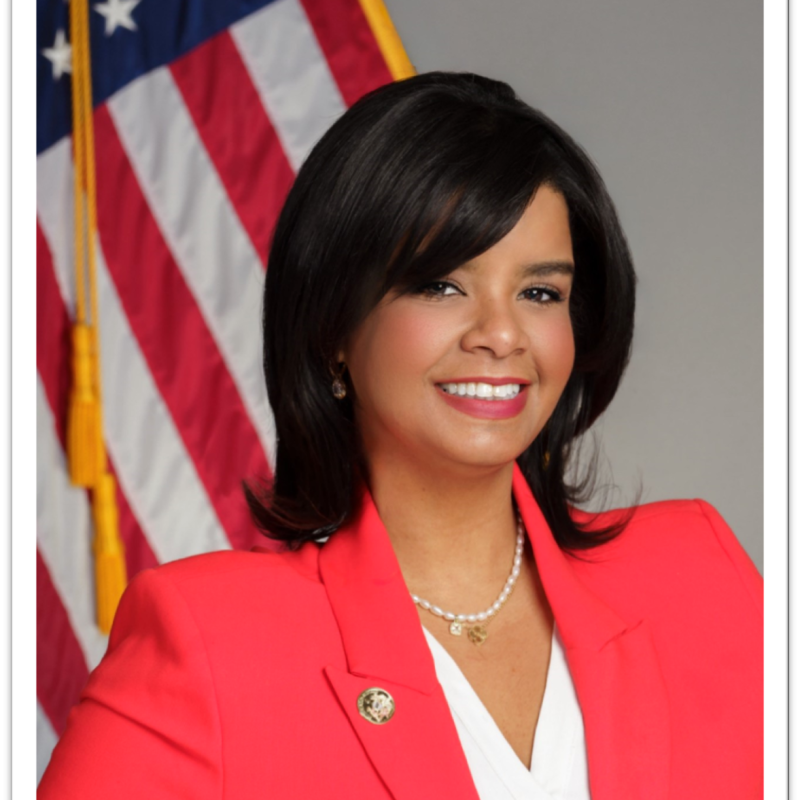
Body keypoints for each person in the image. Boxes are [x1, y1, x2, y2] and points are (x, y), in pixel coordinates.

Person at [39, 72, 762, 799]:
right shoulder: (207, 642)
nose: (503, 334)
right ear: (334, 332)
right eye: (442, 285)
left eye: (540, 292)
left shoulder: (698, 573)